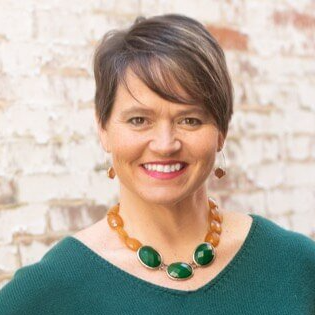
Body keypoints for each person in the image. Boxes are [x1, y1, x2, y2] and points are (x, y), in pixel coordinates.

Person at [0, 14, 314, 315]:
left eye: (190, 120)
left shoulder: (295, 264)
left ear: (221, 132)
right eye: (139, 120)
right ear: (103, 129)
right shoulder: (53, 288)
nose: (165, 144)